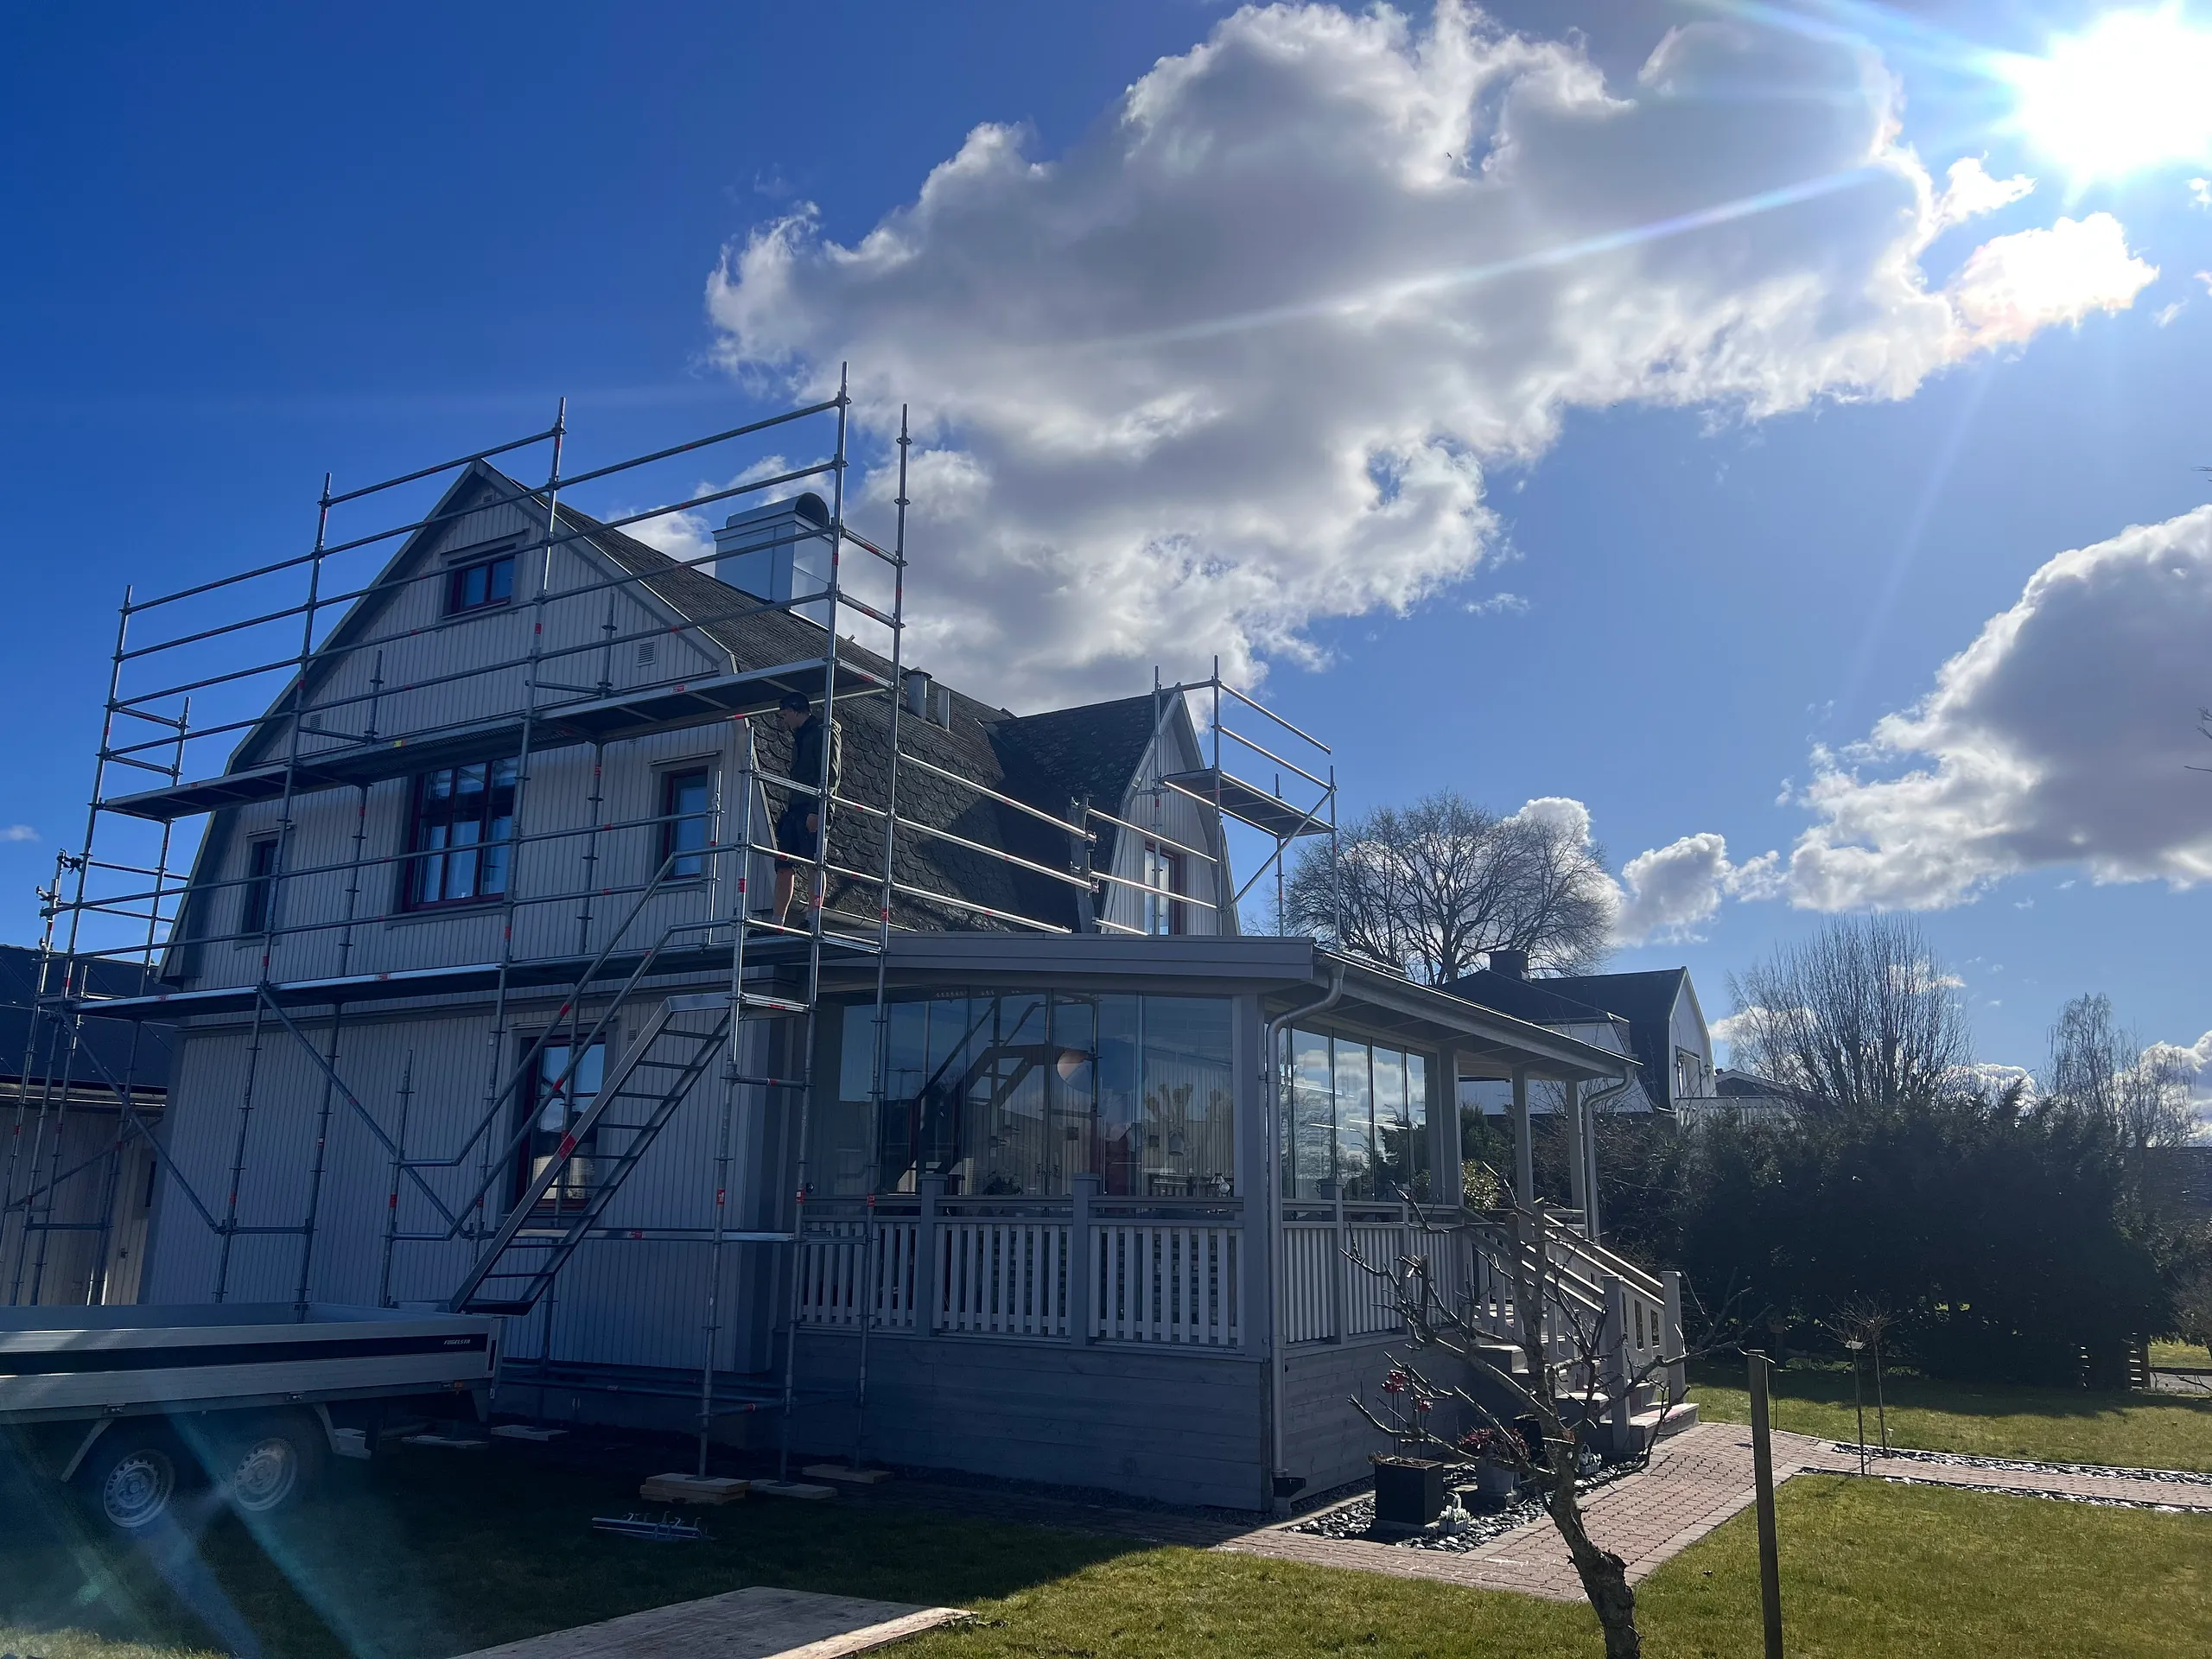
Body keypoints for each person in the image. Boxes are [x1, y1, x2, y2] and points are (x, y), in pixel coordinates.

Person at [767, 690, 840, 927]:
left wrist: (817, 809)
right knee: (783, 864)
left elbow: (830, 774)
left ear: (795, 710)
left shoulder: (822, 732)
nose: (784, 720)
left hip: (812, 806)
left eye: (785, 714)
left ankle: (812, 918)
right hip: (795, 807)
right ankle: (777, 923)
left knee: (814, 864)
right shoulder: (801, 736)